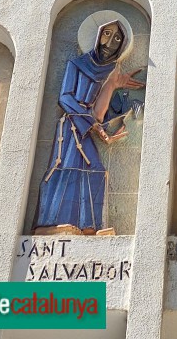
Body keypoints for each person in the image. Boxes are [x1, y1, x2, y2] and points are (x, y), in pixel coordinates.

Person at [34, 16, 143, 235]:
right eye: (107, 34)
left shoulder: (111, 73)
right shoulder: (77, 64)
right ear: (98, 35)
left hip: (87, 125)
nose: (110, 42)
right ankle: (51, 224)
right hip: (71, 126)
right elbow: (65, 98)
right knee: (66, 167)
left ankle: (87, 227)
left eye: (116, 38)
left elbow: (100, 115)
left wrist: (112, 86)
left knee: (96, 170)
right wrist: (92, 122)